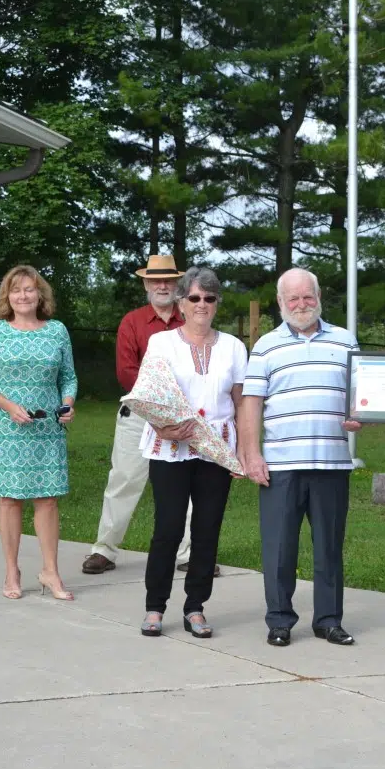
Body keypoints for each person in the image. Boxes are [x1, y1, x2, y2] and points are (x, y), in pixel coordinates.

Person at [238, 268, 361, 648]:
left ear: (319, 296)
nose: (302, 304)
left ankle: (328, 621)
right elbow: (250, 404)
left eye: (308, 296)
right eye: (293, 298)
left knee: (329, 547)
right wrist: (252, 455)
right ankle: (279, 621)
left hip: (331, 462)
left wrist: (362, 415)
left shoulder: (345, 341)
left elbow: (362, 395)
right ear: (281, 303)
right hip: (280, 465)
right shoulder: (265, 347)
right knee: (279, 548)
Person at [84, 254, 217, 578]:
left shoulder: (192, 321)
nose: (162, 285)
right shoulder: (132, 322)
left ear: (178, 285)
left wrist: (179, 411)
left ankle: (190, 554)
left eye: (168, 280)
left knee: (187, 486)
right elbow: (126, 371)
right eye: (155, 280)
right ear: (145, 283)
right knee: (125, 479)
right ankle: (104, 549)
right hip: (140, 415)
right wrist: (159, 408)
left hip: (184, 417)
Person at [139, 267, 248, 637]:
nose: (202, 304)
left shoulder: (233, 346)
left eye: (210, 298)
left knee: (207, 530)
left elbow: (241, 402)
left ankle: (195, 607)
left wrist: (246, 452)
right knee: (167, 528)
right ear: (182, 302)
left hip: (215, 447)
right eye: (195, 298)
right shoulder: (161, 343)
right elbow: (148, 394)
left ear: (218, 303)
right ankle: (155, 607)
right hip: (170, 445)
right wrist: (162, 426)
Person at [0, 265, 78, 602]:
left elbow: (69, 377)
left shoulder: (57, 331)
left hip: (47, 427)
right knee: (10, 498)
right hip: (6, 427)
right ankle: (11, 571)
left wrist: (68, 403)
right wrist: (7, 405)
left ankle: (50, 571)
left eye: (30, 289)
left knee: (47, 498)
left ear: (40, 294)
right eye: (16, 290)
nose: (23, 295)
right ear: (8, 297)